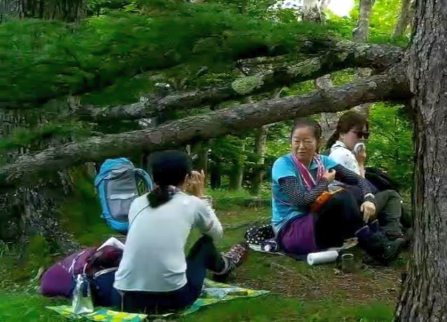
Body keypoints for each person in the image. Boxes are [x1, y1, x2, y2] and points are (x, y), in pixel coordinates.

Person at [94, 150, 248, 314]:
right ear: (187, 177)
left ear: (153, 177)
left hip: (123, 298)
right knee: (205, 244)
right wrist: (201, 196)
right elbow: (216, 234)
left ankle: (224, 265)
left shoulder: (137, 203)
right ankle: (225, 266)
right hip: (171, 299)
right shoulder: (193, 203)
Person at [271, 118, 401, 263]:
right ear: (291, 142)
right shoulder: (283, 164)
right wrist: (325, 181)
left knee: (354, 191)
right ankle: (378, 247)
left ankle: (382, 237)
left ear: (317, 142)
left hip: (317, 223)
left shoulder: (323, 162)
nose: (301, 146)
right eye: (296, 141)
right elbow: (301, 201)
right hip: (292, 231)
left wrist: (368, 198)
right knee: (342, 198)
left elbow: (359, 180)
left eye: (307, 141)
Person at [327, 111, 409, 240]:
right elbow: (362, 189)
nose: (362, 139)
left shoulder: (333, 152)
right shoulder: (344, 155)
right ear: (342, 134)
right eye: (358, 134)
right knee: (391, 195)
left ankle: (398, 229)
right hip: (352, 210)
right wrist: (360, 163)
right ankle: (393, 233)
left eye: (366, 135)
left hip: (343, 209)